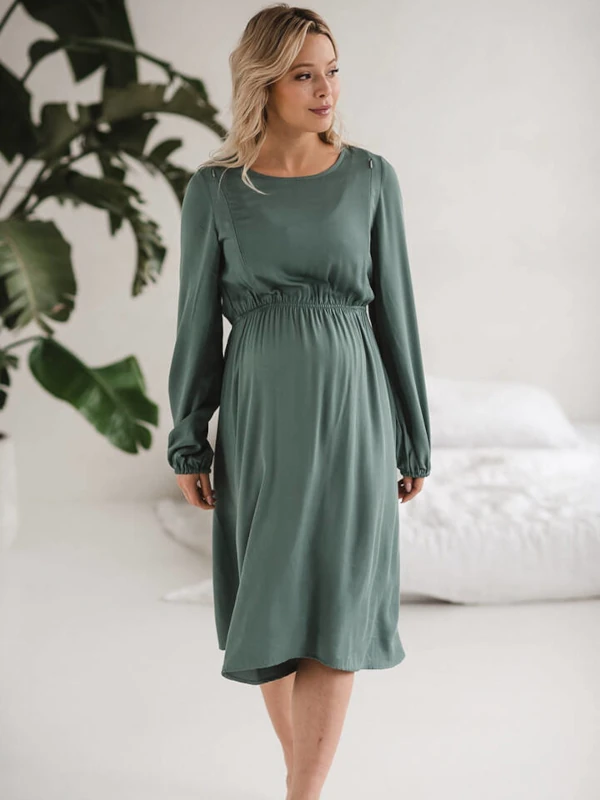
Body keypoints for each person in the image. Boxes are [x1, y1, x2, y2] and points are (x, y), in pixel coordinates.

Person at [167, 5, 431, 799]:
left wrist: (413, 435)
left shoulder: (370, 177)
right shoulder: (216, 189)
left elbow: (396, 314)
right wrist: (189, 436)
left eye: (333, 71)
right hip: (261, 417)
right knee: (275, 604)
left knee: (337, 598)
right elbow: (194, 322)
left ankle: (302, 792)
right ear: (264, 83)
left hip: (354, 408)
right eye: (305, 74)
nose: (326, 90)